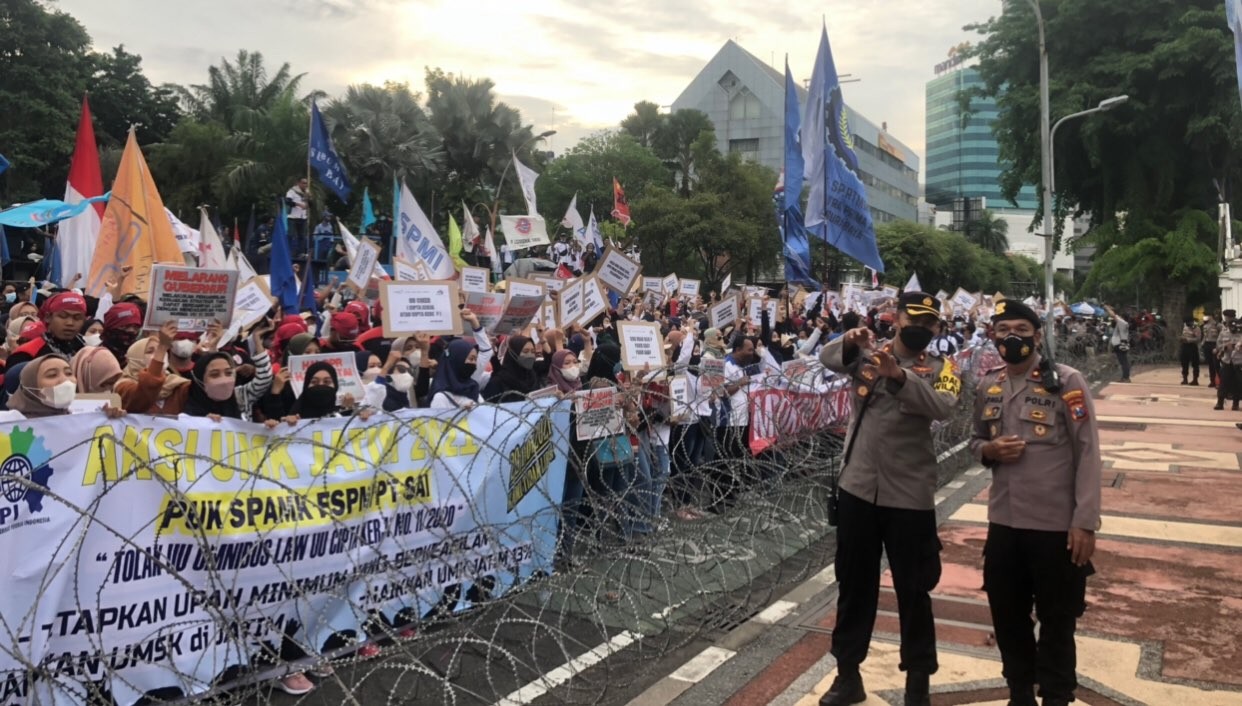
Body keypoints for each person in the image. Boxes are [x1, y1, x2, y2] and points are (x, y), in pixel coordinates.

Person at [815, 291, 960, 706]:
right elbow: (828, 361)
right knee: (854, 585)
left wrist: (899, 377)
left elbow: (942, 406)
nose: (921, 328)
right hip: (859, 487)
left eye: (930, 323)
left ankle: (918, 682)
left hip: (909, 494)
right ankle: (847, 675)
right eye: (914, 319)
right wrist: (848, 341)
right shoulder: (868, 355)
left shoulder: (942, 368)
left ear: (937, 329)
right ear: (896, 318)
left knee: (914, 591)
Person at [969, 299, 1101, 706]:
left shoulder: (1067, 382)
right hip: (1004, 523)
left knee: (1057, 619)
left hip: (1055, 526)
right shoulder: (988, 384)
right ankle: (1020, 690)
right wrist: (989, 449)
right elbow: (974, 440)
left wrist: (1085, 522)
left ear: (1037, 336)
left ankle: (1057, 695)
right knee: (1007, 616)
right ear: (992, 336)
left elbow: (1088, 453)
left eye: (1022, 331)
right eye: (1004, 329)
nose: (1013, 338)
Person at [7, 354, 125, 419]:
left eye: (69, 373)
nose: (65, 381)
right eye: (52, 375)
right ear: (30, 386)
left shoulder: (77, 420)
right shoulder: (10, 425)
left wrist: (107, 420)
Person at [7, 291, 88, 367]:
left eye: (77, 318)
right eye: (63, 316)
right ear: (48, 317)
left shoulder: (87, 351)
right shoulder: (26, 353)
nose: (70, 323)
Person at [1215, 311, 1241, 411]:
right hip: (1227, 361)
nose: (1233, 329)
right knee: (1223, 383)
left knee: (1238, 384)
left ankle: (1235, 403)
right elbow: (1218, 345)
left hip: (1239, 362)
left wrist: (1237, 347)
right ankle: (1220, 402)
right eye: (1231, 327)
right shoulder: (1224, 332)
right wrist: (1225, 347)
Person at [286, 177, 310, 257]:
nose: (305, 185)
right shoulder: (292, 191)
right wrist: (298, 204)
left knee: (302, 236)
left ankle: (301, 253)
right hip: (293, 216)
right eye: (303, 183)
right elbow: (288, 202)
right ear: (299, 183)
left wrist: (308, 201)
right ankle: (288, 251)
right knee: (291, 235)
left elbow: (311, 204)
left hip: (302, 217)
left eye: (306, 183)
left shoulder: (307, 193)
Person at [1107, 310, 1131, 383]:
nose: (1118, 317)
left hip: (1120, 345)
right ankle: (1125, 377)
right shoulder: (1123, 323)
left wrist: (1106, 307)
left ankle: (1126, 378)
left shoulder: (1122, 323)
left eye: (1120, 316)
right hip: (1120, 345)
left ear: (1123, 317)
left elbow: (1113, 315)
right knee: (1124, 362)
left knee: (1124, 362)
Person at [1178, 317, 1201, 385]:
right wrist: (1181, 339)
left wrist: (1188, 340)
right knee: (1184, 363)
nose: (1187, 324)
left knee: (1195, 364)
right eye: (1186, 322)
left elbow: (1198, 339)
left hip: (1192, 346)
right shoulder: (1184, 327)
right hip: (1184, 346)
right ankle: (1185, 379)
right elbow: (1182, 334)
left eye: (1189, 322)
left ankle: (1195, 379)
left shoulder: (1196, 328)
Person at [1202, 313, 1222, 389]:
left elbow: (1221, 337)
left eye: (1207, 315)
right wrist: (1202, 344)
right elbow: (1205, 336)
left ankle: (1220, 382)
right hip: (1207, 344)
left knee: (1216, 364)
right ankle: (1212, 381)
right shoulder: (1205, 326)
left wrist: (1217, 347)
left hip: (1215, 344)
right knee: (1210, 364)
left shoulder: (1218, 325)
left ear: (1211, 316)